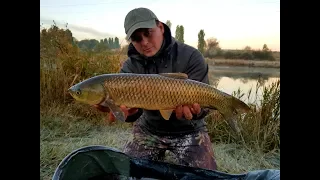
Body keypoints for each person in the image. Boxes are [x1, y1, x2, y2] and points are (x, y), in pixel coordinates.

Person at [94, 7, 217, 171]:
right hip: (149, 129)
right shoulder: (130, 67)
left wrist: (197, 111)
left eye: (148, 33)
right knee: (129, 170)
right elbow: (132, 111)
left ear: (160, 27)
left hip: (189, 129)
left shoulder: (191, 56)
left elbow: (204, 107)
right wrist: (129, 114)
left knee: (205, 175)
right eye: (136, 38)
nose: (144, 42)